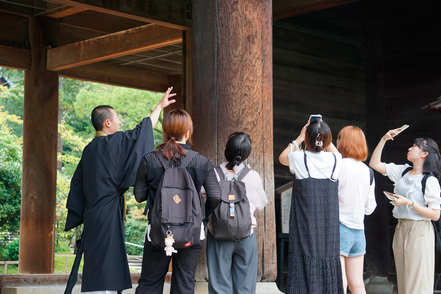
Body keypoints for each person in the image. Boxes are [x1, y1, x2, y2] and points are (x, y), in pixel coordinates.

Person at [63, 87, 176, 294]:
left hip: (92, 213)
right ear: (107, 123)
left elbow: (77, 184)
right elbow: (142, 131)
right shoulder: (112, 142)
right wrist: (159, 106)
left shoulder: (89, 149)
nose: (119, 123)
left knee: (96, 260)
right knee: (107, 261)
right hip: (108, 213)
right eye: (116, 119)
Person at [133, 109, 221, 294]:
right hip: (192, 230)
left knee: (150, 282)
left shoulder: (150, 160)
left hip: (158, 230)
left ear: (165, 132)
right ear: (187, 133)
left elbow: (139, 195)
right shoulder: (201, 161)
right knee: (184, 283)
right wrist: (202, 219)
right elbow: (215, 195)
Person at [369, 129, 441, 294]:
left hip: (420, 230)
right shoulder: (403, 171)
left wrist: (408, 203)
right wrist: (384, 139)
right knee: (403, 280)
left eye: (415, 146)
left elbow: (435, 214)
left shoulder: (429, 180)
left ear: (424, 154)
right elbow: (375, 164)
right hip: (401, 228)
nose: (410, 148)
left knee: (417, 281)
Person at [279, 119, 344, 294]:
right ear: (327, 139)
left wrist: (300, 138)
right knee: (328, 257)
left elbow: (282, 157)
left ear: (308, 138)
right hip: (328, 225)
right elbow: (334, 151)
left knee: (304, 257)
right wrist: (322, 132)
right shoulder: (336, 159)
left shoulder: (299, 158)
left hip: (305, 223)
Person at [206, 132, 268, 294]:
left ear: (226, 150)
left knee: (219, 286)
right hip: (245, 234)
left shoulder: (213, 173)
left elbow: (204, 199)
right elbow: (261, 204)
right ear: (247, 155)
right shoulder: (253, 176)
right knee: (246, 286)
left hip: (218, 233)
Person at [336, 126, 377, 294]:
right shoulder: (368, 171)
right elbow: (370, 208)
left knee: (340, 282)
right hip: (359, 231)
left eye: (338, 138)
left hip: (339, 227)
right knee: (357, 284)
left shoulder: (338, 166)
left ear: (343, 142)